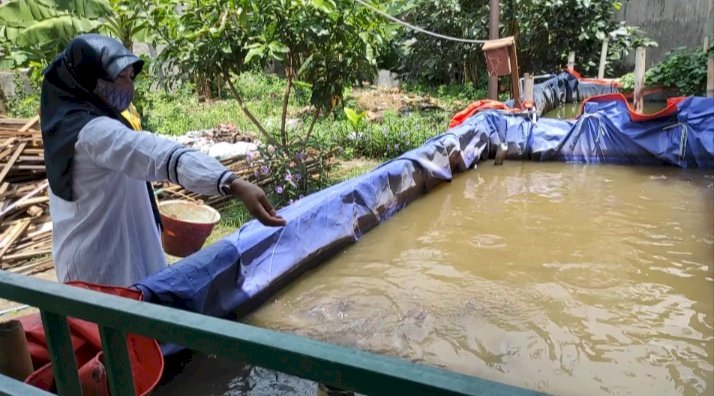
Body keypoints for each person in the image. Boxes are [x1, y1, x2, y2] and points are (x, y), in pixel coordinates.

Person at [40, 34, 286, 287]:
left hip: (104, 259)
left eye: (130, 77)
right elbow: (157, 154)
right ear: (88, 79)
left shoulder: (69, 122)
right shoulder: (93, 132)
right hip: (104, 273)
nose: (128, 87)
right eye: (120, 78)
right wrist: (230, 182)